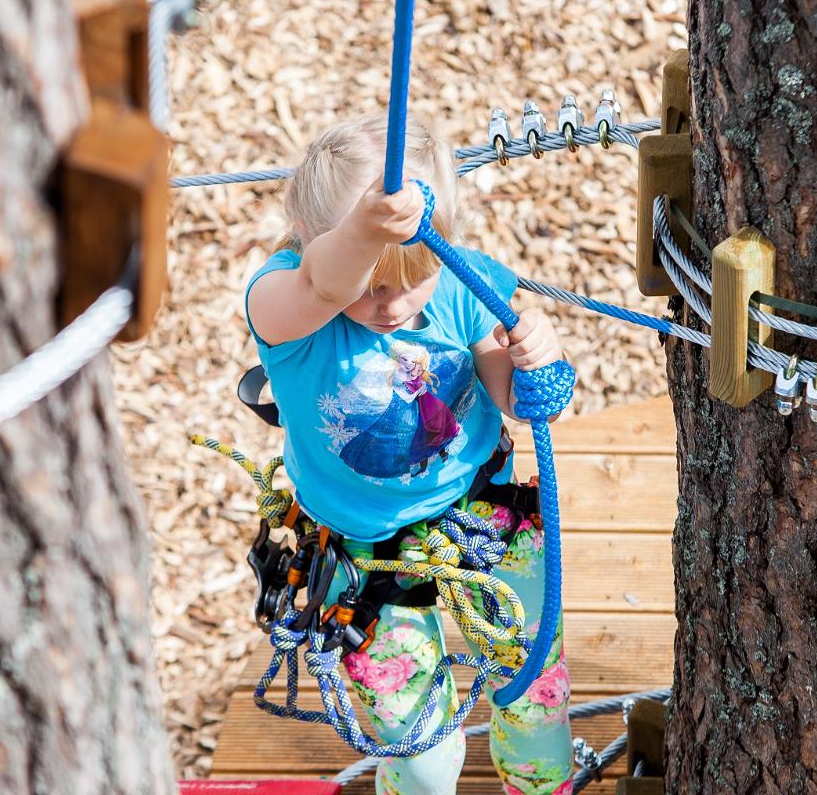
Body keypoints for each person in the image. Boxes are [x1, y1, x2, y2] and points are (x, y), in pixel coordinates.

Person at [244, 114, 573, 795]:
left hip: (483, 517)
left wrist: (540, 361)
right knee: (418, 751)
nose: (392, 306)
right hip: (364, 558)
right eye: (372, 284)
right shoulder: (288, 306)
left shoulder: (458, 285)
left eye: (412, 279)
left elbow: (509, 393)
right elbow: (322, 288)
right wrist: (366, 234)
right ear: (312, 241)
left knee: (534, 688)